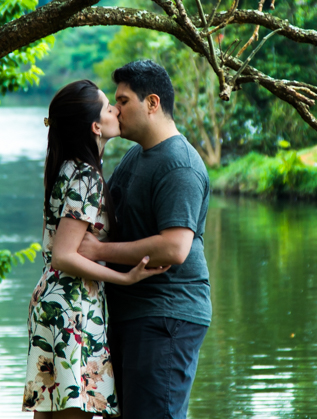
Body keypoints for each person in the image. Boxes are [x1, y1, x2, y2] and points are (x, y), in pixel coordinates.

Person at [23, 80, 169, 417]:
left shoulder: (69, 166)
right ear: (95, 126)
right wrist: (125, 279)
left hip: (55, 303)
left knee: (50, 412)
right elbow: (65, 255)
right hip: (73, 309)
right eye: (108, 107)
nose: (116, 110)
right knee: (74, 410)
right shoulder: (85, 175)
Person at [77, 60, 212, 419]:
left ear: (152, 103)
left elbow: (175, 247)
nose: (114, 110)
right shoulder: (137, 155)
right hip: (128, 311)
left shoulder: (179, 164)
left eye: (123, 101)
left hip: (165, 314)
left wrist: (98, 251)